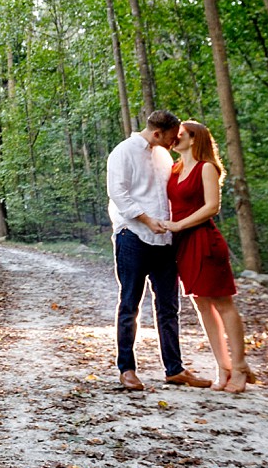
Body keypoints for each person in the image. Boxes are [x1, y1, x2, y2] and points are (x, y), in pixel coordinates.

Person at [107, 109, 211, 391]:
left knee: (169, 306)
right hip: (133, 236)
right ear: (156, 133)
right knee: (130, 303)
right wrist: (146, 219)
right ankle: (127, 369)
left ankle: (174, 369)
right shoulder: (123, 152)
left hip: (165, 240)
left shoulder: (164, 155)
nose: (173, 143)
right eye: (170, 138)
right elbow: (118, 194)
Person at [166, 119, 256, 393]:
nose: (174, 139)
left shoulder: (207, 168)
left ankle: (240, 367)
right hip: (182, 244)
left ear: (194, 139)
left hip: (204, 240)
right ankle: (223, 366)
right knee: (201, 305)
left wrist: (180, 225)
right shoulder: (175, 168)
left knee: (223, 303)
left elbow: (212, 207)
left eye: (179, 135)